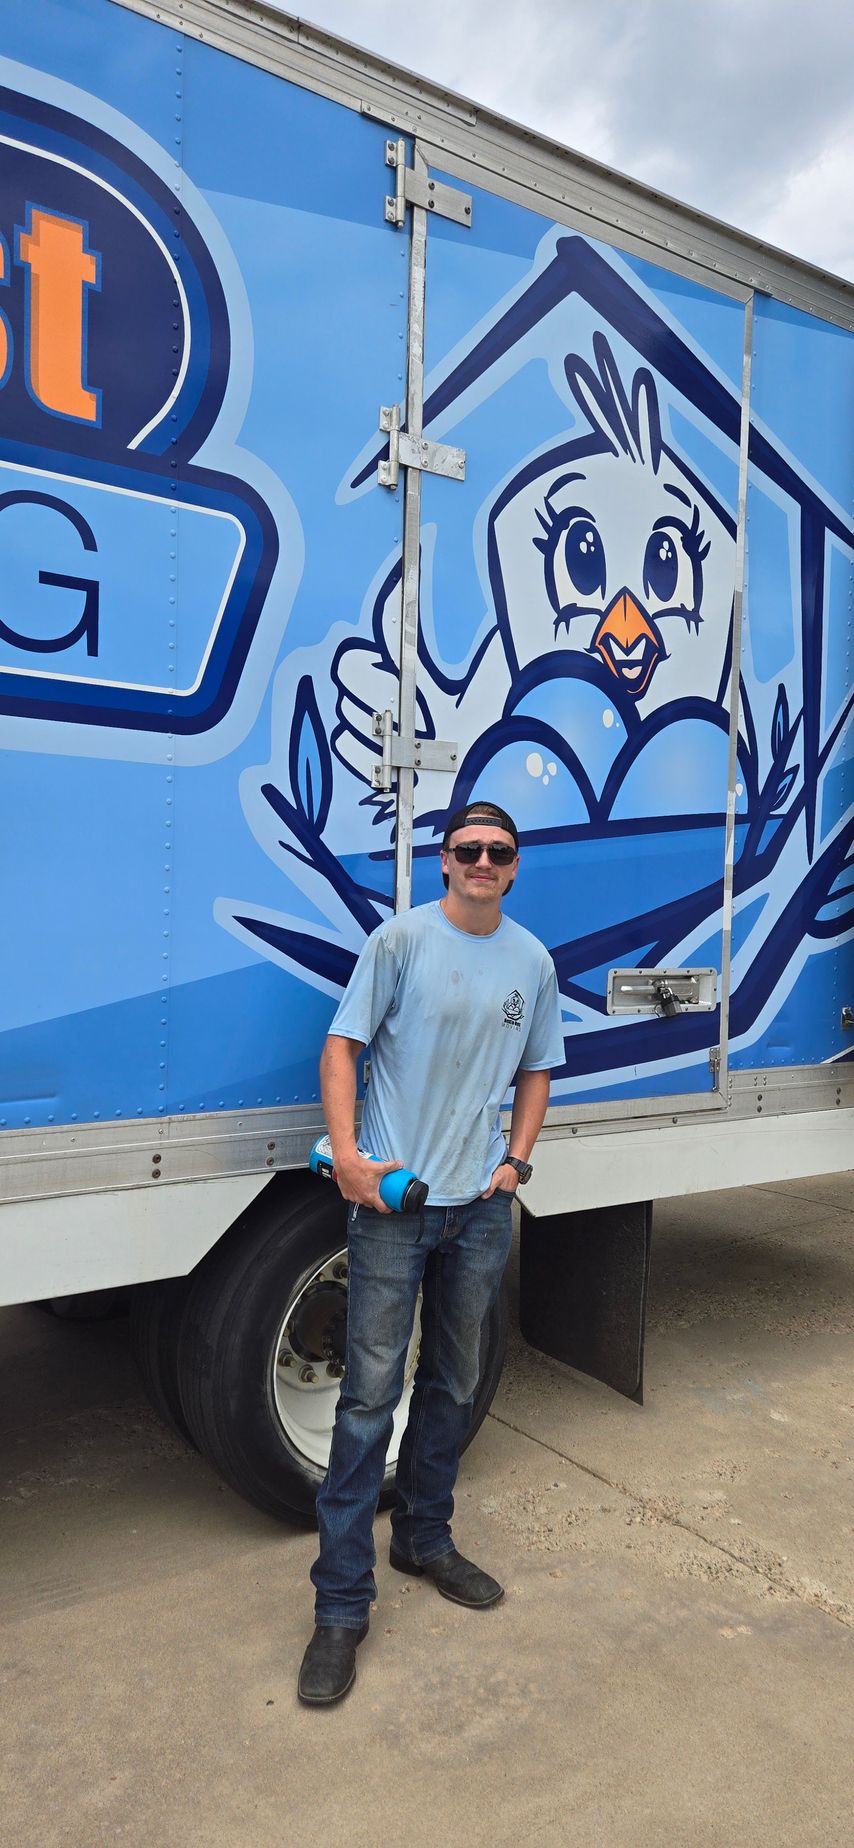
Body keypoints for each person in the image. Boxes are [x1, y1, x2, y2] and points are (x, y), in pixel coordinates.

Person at [298, 800, 564, 1706]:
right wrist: (349, 1161)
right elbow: (341, 1047)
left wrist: (516, 1161)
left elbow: (538, 1067)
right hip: (395, 1208)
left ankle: (424, 1537)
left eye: (498, 850)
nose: (482, 861)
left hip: (479, 1210)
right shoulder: (401, 942)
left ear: (515, 866)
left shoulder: (531, 959)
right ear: (444, 862)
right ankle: (340, 1607)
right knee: (370, 1400)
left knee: (453, 1381)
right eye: (468, 850)